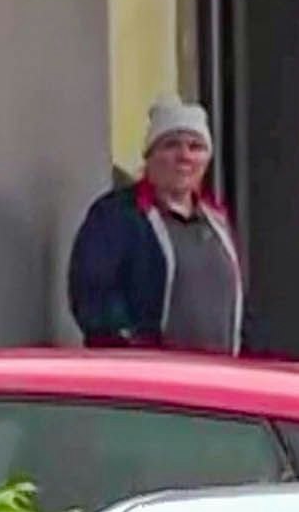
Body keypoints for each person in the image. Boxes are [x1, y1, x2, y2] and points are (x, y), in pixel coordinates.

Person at [69, 96, 244, 353]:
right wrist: (130, 346)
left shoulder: (217, 220)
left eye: (196, 147)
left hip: (216, 380)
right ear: (150, 156)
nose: (184, 156)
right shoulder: (117, 216)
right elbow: (93, 297)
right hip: (149, 381)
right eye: (171, 145)